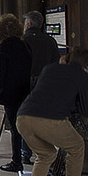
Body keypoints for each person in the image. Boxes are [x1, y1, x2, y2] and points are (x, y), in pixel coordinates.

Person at [16, 46, 88, 176]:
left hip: (23, 117)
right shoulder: (83, 76)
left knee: (46, 154)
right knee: (77, 146)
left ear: (67, 58)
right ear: (87, 65)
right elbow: (87, 111)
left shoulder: (49, 68)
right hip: (51, 120)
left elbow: (48, 90)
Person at [0, 14, 32, 172]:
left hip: (11, 92)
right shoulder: (24, 45)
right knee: (25, 125)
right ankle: (29, 155)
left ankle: (16, 161)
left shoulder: (3, 47)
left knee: (14, 128)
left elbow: (0, 75)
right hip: (25, 91)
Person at [21, 11, 61, 164]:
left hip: (26, 84)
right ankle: (45, 152)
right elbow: (55, 63)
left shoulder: (23, 40)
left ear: (29, 24)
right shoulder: (50, 41)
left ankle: (25, 152)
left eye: (25, 23)